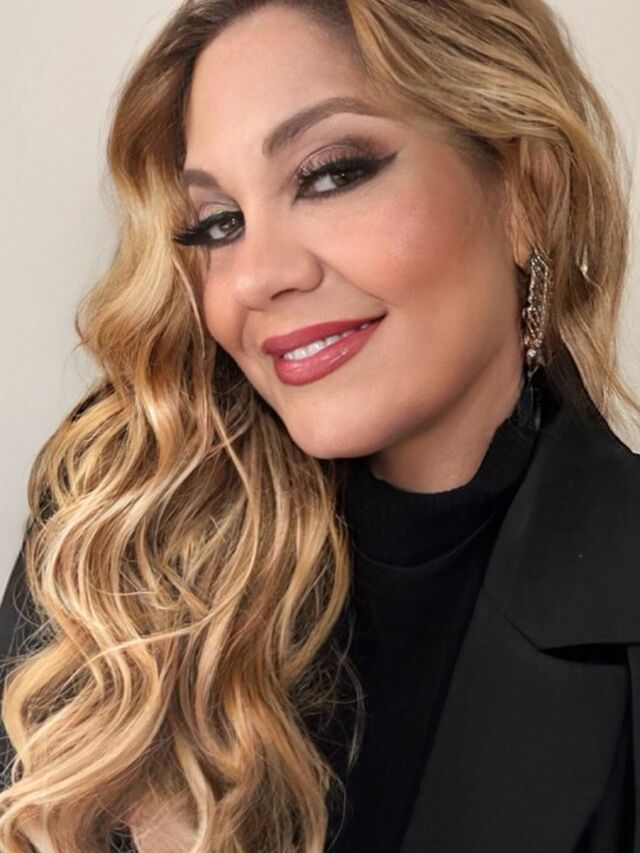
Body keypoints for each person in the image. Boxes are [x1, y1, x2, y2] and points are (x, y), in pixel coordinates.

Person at [1, 0, 639, 850]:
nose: (254, 277)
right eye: (219, 223)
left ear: (527, 192)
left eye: (330, 174)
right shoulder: (116, 519)